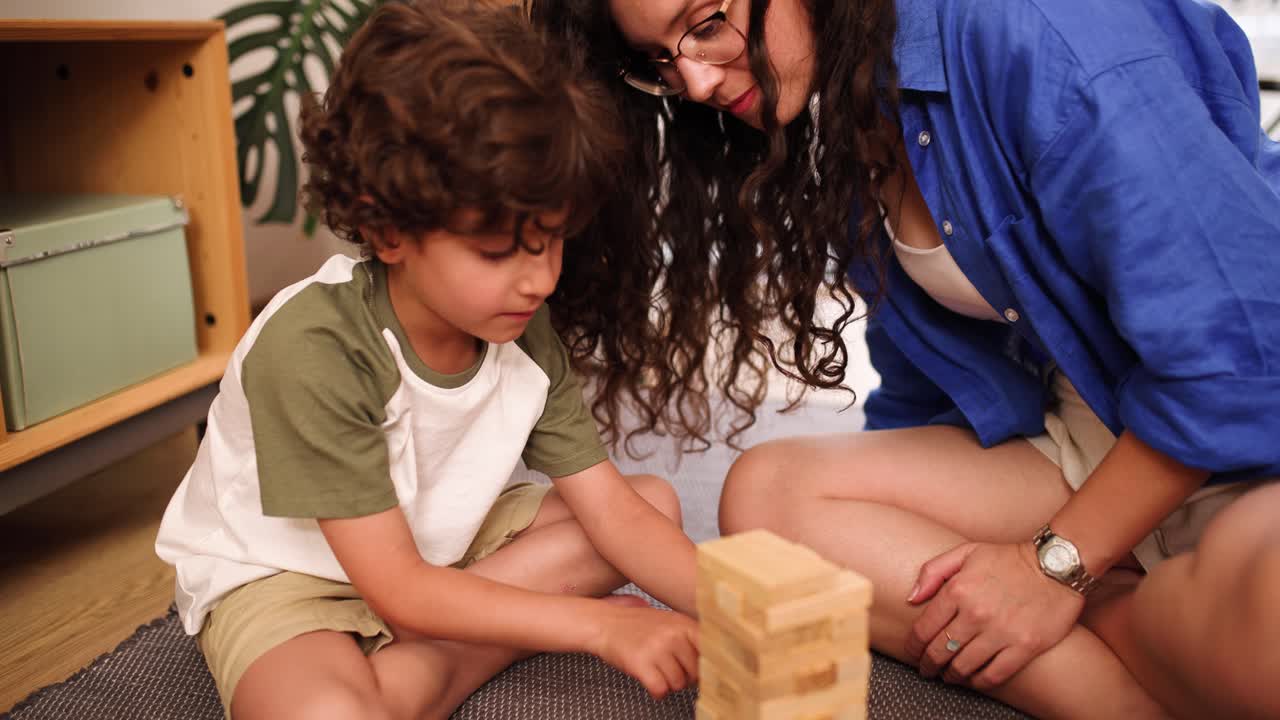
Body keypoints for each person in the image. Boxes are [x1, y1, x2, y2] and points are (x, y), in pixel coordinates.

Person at [526, 0, 1280, 718]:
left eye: (706, 26)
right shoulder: (856, 94)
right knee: (769, 499)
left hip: (1245, 444)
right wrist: (935, 525)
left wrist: (1051, 566)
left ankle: (1109, 618)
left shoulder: (1038, 27)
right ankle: (1128, 688)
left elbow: (1242, 357)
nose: (693, 82)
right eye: (657, 60)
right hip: (1089, 433)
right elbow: (933, 374)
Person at [154, 2, 701, 718]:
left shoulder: (522, 329)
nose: (538, 280)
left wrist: (755, 610)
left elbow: (616, 516)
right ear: (386, 228)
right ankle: (449, 648)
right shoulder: (314, 349)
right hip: (292, 577)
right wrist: (601, 625)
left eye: (553, 240)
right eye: (499, 250)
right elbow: (398, 589)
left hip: (433, 543)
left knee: (648, 506)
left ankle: (441, 654)